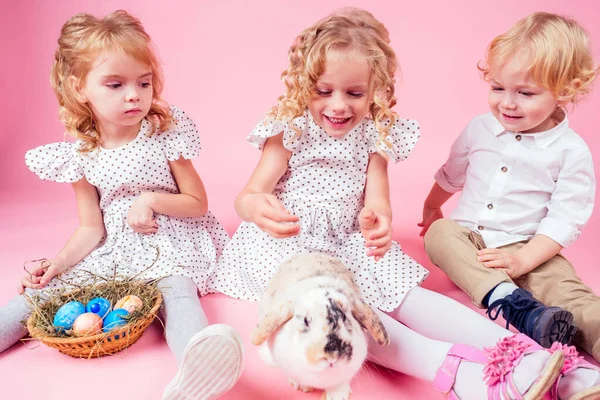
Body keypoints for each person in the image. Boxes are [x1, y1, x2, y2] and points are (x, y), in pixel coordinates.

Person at [209, 7, 600, 399]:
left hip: (347, 241)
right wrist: (256, 208)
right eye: (323, 91)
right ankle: (459, 372)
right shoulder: (290, 128)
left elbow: (378, 199)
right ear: (303, 85)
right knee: (338, 307)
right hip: (290, 247)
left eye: (355, 93)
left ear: (375, 88)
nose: (339, 106)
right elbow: (249, 194)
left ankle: (547, 362)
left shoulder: (375, 133)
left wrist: (378, 220)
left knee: (406, 296)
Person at [0, 10, 242, 400]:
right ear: (80, 88)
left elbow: (197, 203)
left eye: (143, 83)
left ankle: (200, 363)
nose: (134, 94)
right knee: (44, 295)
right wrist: (58, 264)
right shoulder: (81, 152)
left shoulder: (164, 132)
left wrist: (150, 199)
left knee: (176, 291)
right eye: (115, 84)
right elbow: (91, 228)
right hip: (116, 248)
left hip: (171, 237)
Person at [420, 12, 600, 369]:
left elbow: (564, 219)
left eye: (525, 93)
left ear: (564, 91)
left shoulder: (571, 151)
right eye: (497, 88)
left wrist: (523, 260)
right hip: (472, 242)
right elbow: (453, 172)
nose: (507, 103)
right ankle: (515, 305)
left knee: (574, 299)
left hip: (533, 248)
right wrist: (430, 207)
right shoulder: (479, 129)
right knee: (440, 234)